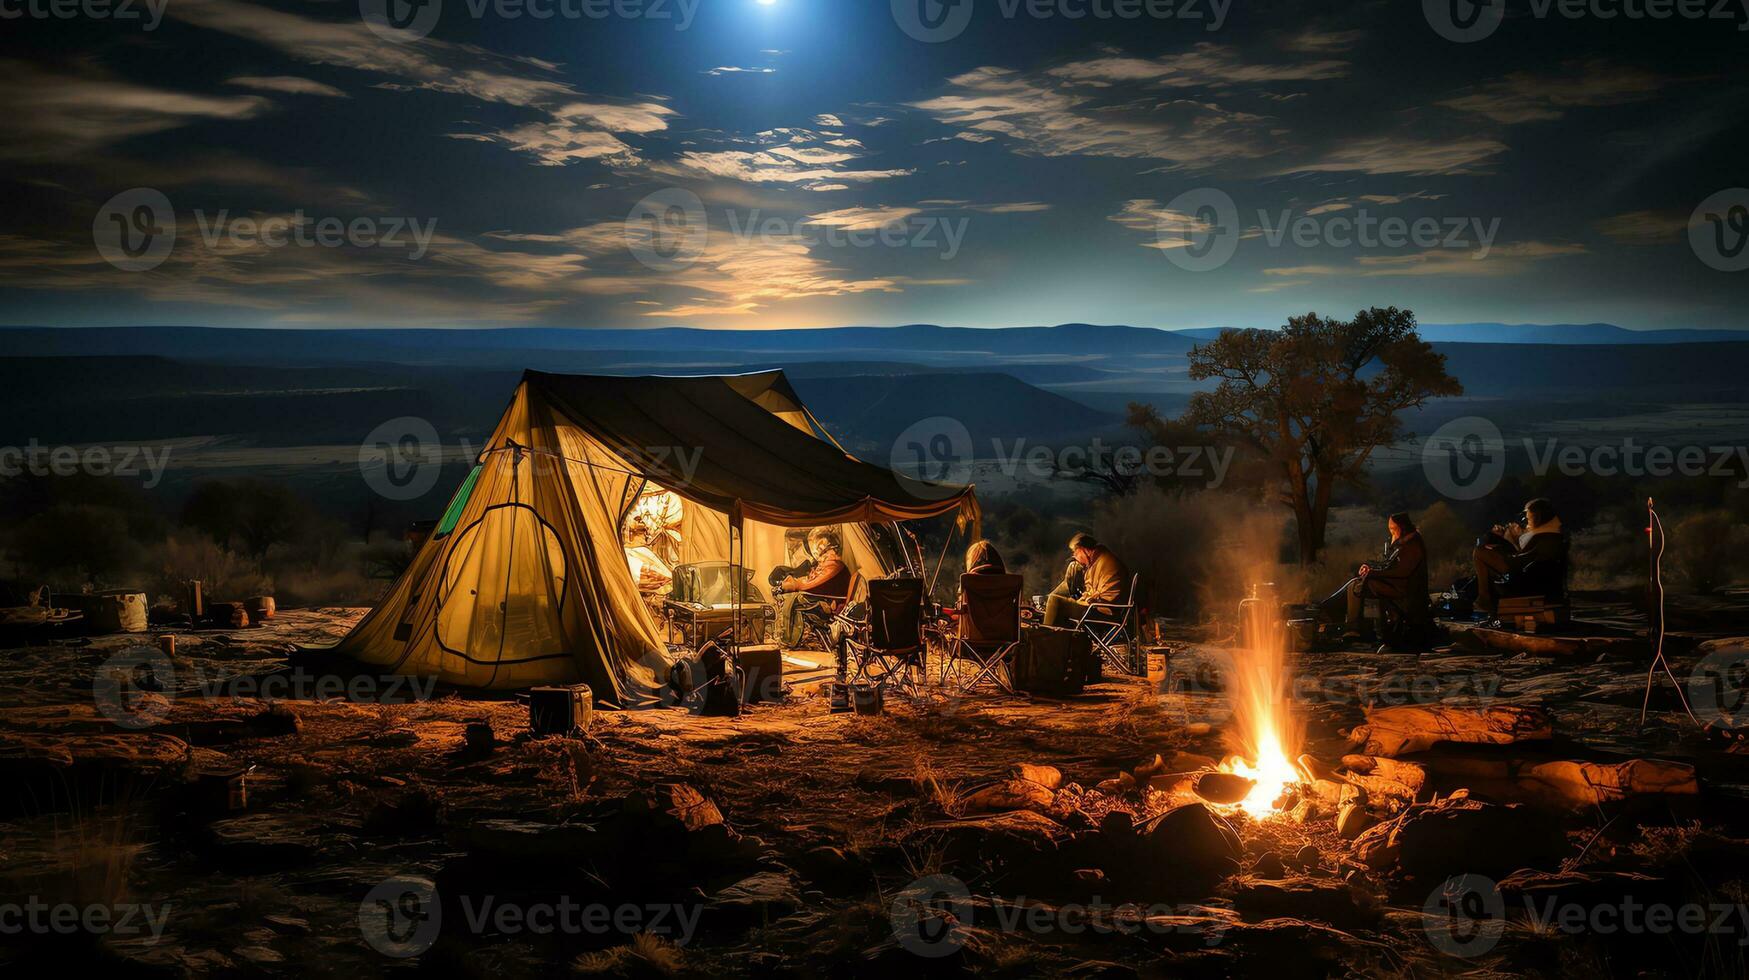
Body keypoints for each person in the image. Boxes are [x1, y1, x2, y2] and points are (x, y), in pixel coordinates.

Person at [1323, 512, 1429, 640]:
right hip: (1398, 584)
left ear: (1401, 527)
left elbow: (1402, 572)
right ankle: (1332, 611)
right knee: (1355, 583)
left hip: (1405, 589)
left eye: (1393, 529)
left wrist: (1374, 573)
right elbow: (1391, 566)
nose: (1391, 532)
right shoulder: (1406, 543)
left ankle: (1350, 626)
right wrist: (1372, 569)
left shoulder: (1412, 545)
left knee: (1355, 586)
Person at [1472, 497, 1568, 617]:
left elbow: (1520, 563)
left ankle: (1485, 602)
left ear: (1538, 517)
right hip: (1536, 583)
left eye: (1528, 519)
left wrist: (1501, 550)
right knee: (1487, 552)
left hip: (1531, 586)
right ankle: (1485, 601)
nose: (1526, 522)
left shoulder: (1546, 538)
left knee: (1480, 552)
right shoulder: (1552, 535)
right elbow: (1527, 559)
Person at [776, 527, 851, 649]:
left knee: (796, 598)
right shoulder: (829, 563)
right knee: (791, 597)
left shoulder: (834, 564)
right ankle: (789, 636)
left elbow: (814, 584)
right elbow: (812, 581)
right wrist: (793, 582)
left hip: (831, 604)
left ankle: (789, 639)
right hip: (824, 600)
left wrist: (794, 585)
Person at [1044, 532, 1129, 628]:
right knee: (1054, 601)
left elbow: (1105, 597)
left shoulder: (1105, 562)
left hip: (1104, 611)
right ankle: (1062, 639)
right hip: (1097, 607)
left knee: (1055, 601)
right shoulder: (1096, 560)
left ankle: (1045, 639)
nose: (1074, 556)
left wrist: (1081, 600)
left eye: (1075, 552)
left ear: (1083, 549)